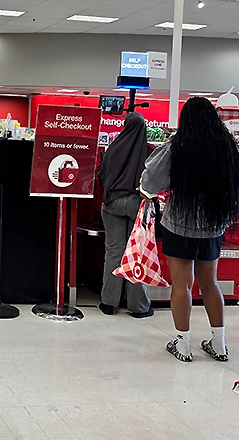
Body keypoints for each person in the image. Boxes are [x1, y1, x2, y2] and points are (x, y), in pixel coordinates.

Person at [140, 97, 239, 362]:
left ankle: (182, 344)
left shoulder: (177, 145)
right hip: (213, 223)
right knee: (210, 283)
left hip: (179, 223)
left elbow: (149, 181)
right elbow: (236, 179)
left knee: (182, 285)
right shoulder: (229, 148)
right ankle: (219, 344)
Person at [98, 112, 153, 318]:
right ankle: (138, 307)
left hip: (113, 203)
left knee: (114, 251)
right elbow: (154, 179)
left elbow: (102, 175)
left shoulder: (114, 148)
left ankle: (108, 303)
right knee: (136, 254)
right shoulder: (149, 150)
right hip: (138, 205)